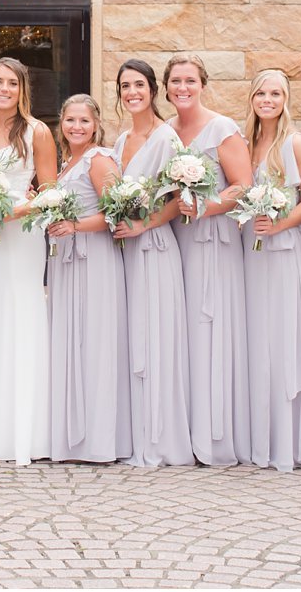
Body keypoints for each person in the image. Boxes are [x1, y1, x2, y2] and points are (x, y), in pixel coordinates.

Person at [0, 57, 57, 465]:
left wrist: (12, 213)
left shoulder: (36, 131)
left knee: (22, 317)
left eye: (12, 83)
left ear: (22, 90)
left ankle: (28, 432)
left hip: (23, 237)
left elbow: (51, 194)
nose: (4, 89)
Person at [164, 53, 253, 467]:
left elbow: (243, 186)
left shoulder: (222, 129)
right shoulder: (165, 131)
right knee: (184, 335)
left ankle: (216, 434)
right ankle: (184, 429)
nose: (182, 88)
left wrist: (205, 207)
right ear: (166, 87)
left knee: (211, 329)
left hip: (212, 239)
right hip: (176, 240)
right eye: (176, 81)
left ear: (203, 84)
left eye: (190, 81)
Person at [241, 69, 301, 472]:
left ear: (286, 99)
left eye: (275, 93)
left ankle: (292, 439)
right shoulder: (247, 143)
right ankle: (261, 435)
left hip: (285, 251)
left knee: (284, 337)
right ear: (252, 98)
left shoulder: (296, 143)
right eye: (261, 93)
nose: (267, 100)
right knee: (258, 340)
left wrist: (279, 225)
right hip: (253, 253)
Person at [110, 58, 194, 467]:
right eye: (125, 86)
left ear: (152, 90)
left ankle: (159, 438)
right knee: (131, 338)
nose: (132, 93)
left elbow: (181, 201)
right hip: (123, 252)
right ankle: (132, 432)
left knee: (156, 336)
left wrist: (144, 226)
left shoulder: (167, 138)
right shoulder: (118, 140)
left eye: (139, 85)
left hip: (155, 247)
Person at [45, 95, 130, 465]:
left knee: (94, 341)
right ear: (61, 124)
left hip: (93, 259)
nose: (76, 127)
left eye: (83, 121)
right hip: (66, 263)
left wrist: (74, 225)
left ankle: (98, 439)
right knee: (73, 342)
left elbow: (117, 213)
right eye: (69, 120)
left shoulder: (99, 159)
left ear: (96, 124)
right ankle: (71, 436)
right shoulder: (67, 164)